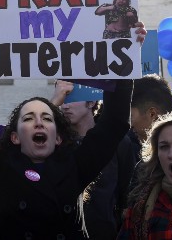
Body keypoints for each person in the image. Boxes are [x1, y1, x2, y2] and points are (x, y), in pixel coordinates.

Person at [0, 23, 137, 239]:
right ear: (15, 136)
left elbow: (113, 123)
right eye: (29, 118)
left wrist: (123, 54)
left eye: (47, 118)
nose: (39, 123)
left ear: (58, 137)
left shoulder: (76, 168)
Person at [53, 81, 138, 239]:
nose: (64, 106)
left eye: (70, 97)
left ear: (91, 101)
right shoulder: (54, 144)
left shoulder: (118, 143)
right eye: (61, 99)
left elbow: (127, 192)